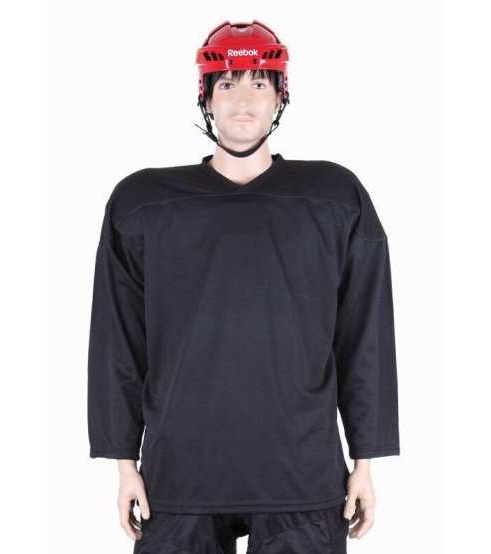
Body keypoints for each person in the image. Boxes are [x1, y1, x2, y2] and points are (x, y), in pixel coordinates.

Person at [87, 19, 400, 554]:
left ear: (281, 96)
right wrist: (124, 465)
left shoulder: (333, 197)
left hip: (301, 473)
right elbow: (117, 342)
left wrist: (365, 463)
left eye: (259, 82)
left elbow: (364, 337)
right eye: (227, 83)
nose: (243, 100)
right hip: (179, 473)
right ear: (206, 97)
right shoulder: (145, 204)